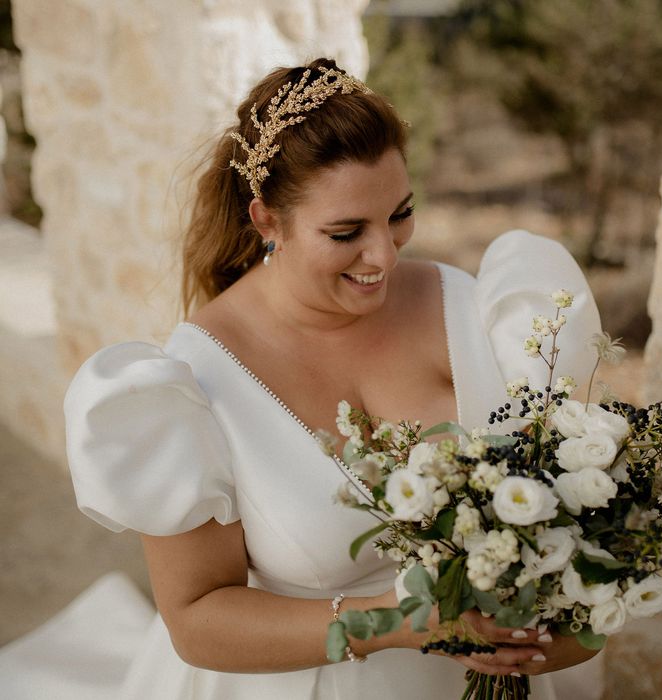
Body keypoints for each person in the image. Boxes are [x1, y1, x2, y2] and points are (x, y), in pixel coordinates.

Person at [8, 58, 604, 699]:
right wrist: (398, 623)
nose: (384, 256)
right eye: (346, 232)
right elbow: (197, 619)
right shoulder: (186, 388)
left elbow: (561, 511)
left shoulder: (475, 305)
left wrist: (558, 629)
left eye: (400, 214)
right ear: (267, 221)